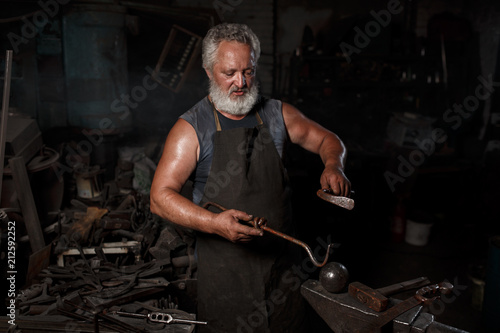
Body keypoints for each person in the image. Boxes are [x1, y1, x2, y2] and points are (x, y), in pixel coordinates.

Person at [150, 22, 351, 333]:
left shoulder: (277, 114)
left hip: (283, 272)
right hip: (225, 277)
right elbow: (160, 198)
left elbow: (329, 140)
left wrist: (333, 165)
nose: (241, 82)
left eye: (249, 71)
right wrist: (213, 224)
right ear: (208, 71)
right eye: (229, 73)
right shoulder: (190, 129)